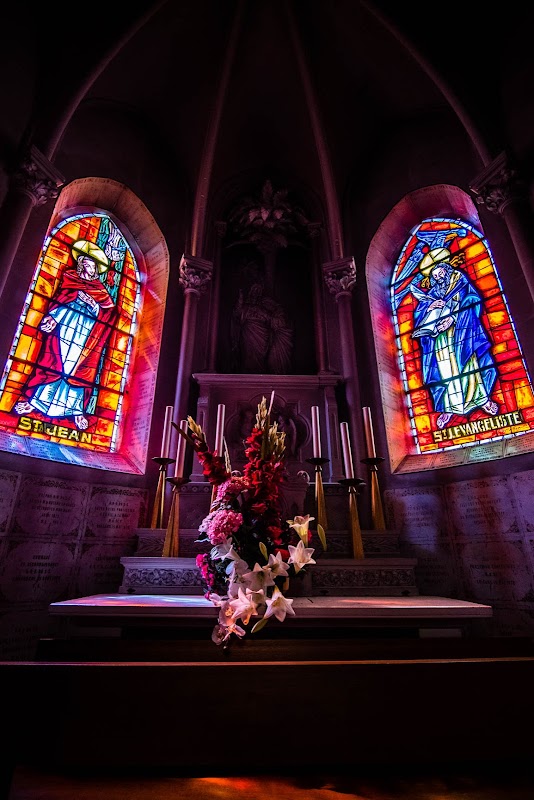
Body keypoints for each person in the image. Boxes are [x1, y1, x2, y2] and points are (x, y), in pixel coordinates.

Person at [14, 239, 117, 430]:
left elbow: (108, 313)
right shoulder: (70, 278)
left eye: (93, 266)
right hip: (65, 327)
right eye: (87, 264)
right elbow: (61, 299)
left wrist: (93, 304)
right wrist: (56, 315)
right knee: (55, 363)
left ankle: (77, 411)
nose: (91, 268)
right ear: (81, 265)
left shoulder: (100, 289)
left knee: (78, 370)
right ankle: (35, 401)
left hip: (86, 332)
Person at [410, 260, 498, 429]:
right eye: (435, 277)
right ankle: (448, 408)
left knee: (469, 367)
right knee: (445, 372)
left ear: (447, 270)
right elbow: (421, 311)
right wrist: (429, 307)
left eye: (440, 274)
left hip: (463, 333)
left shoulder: (460, 281)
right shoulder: (435, 291)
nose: (438, 278)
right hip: (441, 338)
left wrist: (454, 317)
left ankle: (482, 399)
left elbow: (472, 300)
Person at [231, 281, 293, 374]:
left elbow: (272, 321)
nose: (256, 292)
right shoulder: (246, 306)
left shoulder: (264, 307)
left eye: (258, 290)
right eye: (254, 289)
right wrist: (240, 301)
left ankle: (260, 373)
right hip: (248, 334)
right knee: (248, 356)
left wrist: (264, 315)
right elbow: (237, 314)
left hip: (262, 336)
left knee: (260, 358)